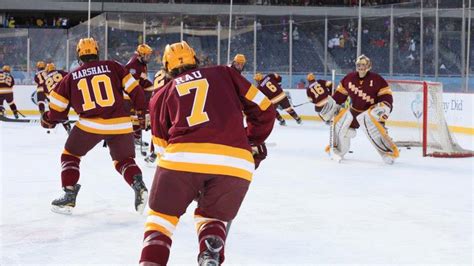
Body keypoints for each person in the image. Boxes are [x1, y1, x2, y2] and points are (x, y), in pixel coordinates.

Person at [139, 41, 275, 265]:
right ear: (196, 59)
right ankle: (210, 247)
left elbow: (162, 148)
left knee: (160, 220)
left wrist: (188, 183)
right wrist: (250, 140)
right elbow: (264, 109)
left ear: (166, 68)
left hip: (180, 159)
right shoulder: (224, 72)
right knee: (212, 217)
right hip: (235, 162)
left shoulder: (161, 95)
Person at [40, 38, 149, 214]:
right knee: (124, 161)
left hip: (90, 125)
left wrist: (48, 119)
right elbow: (135, 91)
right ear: (97, 52)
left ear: (79, 56)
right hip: (120, 123)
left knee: (70, 155)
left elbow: (57, 112)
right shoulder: (114, 66)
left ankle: (68, 196)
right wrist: (142, 111)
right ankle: (138, 183)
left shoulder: (71, 77)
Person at [317, 55, 399, 164]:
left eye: (364, 65)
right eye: (359, 65)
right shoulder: (349, 78)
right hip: (354, 111)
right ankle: (337, 150)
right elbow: (339, 96)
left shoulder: (377, 79)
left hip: (370, 113)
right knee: (341, 124)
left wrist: (385, 106)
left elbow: (386, 96)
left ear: (369, 66)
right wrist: (331, 105)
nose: (361, 67)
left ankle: (387, 154)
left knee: (376, 131)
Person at [125, 43, 154, 148]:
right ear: (140, 55)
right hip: (130, 95)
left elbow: (143, 80)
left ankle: (136, 137)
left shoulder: (141, 63)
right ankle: (133, 138)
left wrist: (152, 87)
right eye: (147, 55)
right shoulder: (133, 66)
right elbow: (132, 86)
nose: (149, 58)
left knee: (138, 116)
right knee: (136, 116)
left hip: (136, 92)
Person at [143, 68, 172, 165]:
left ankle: (154, 152)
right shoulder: (173, 72)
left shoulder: (158, 72)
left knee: (157, 130)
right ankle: (160, 153)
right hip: (165, 102)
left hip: (154, 102)